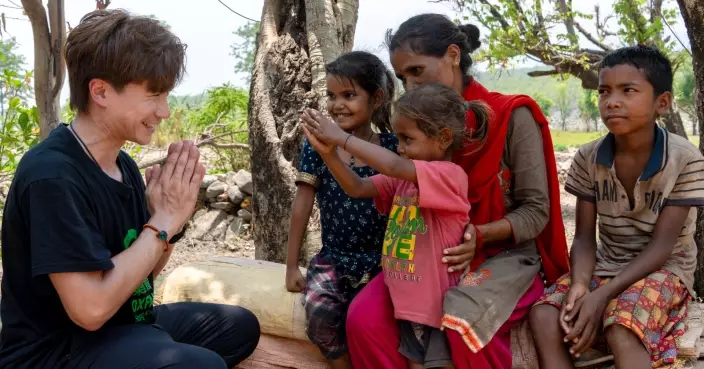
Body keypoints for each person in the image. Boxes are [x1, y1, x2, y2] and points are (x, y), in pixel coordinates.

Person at [0, 9, 260, 369]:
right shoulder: (52, 176)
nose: (165, 111)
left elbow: (142, 278)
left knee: (240, 327)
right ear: (101, 91)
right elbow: (90, 310)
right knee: (200, 365)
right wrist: (162, 221)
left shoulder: (123, 166)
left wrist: (166, 222)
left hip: (121, 323)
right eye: (154, 95)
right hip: (58, 349)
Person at [345, 13, 570, 369]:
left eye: (416, 71)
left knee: (464, 323)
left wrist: (478, 235)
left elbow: (536, 211)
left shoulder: (511, 115)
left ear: (453, 55)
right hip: (430, 253)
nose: (410, 85)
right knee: (364, 319)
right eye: (402, 77)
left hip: (503, 255)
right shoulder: (412, 126)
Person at [529, 45, 704, 369]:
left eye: (628, 91)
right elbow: (583, 238)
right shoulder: (588, 157)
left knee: (621, 326)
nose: (612, 101)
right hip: (606, 264)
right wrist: (582, 285)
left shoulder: (684, 159)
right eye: (604, 92)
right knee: (544, 314)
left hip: (665, 270)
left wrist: (601, 297)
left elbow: (662, 247)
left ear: (661, 103)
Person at [302, 83, 489, 368]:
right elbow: (357, 186)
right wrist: (328, 153)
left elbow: (391, 165)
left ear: (443, 138)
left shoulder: (449, 176)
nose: (399, 147)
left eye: (407, 139)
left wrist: (342, 138)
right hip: (409, 306)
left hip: (436, 307)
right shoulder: (403, 179)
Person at [284, 51, 398, 369]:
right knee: (320, 317)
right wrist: (292, 266)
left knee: (372, 323)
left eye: (349, 95)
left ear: (376, 98)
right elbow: (302, 205)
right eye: (332, 96)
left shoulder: (392, 148)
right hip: (334, 258)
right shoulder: (318, 145)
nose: (338, 105)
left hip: (384, 261)